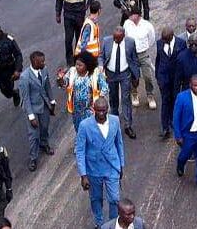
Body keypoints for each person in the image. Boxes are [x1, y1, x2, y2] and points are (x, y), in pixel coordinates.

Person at [76, 97, 126, 227]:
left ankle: (113, 223)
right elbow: (80, 151)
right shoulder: (85, 125)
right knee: (96, 199)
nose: (101, 114)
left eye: (103, 111)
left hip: (112, 166)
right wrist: (83, 175)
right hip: (94, 169)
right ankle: (99, 223)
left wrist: (121, 164)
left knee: (115, 199)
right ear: (93, 109)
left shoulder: (115, 121)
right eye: (98, 111)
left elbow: (119, 143)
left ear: (107, 109)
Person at [17, 50, 56, 171]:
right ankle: (33, 157)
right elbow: (26, 98)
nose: (44, 63)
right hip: (32, 108)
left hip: (43, 105)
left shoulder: (44, 70)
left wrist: (52, 101)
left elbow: (47, 86)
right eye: (41, 61)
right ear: (34, 61)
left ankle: (44, 144)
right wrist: (31, 116)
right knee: (33, 134)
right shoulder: (24, 77)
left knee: (44, 127)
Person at [101, 26, 141, 139]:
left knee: (126, 99)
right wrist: (100, 66)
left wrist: (136, 75)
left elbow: (135, 59)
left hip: (125, 74)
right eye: (114, 37)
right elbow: (101, 56)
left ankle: (128, 126)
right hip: (111, 74)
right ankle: (114, 126)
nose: (115, 40)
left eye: (118, 38)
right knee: (113, 101)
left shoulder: (130, 42)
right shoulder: (106, 41)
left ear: (123, 36)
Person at [60, 51, 110, 132]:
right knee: (79, 129)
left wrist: (99, 101)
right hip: (76, 110)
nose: (77, 67)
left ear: (87, 66)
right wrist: (60, 79)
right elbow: (64, 84)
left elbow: (105, 87)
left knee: (90, 130)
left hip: (89, 110)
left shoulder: (95, 73)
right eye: (76, 64)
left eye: (80, 65)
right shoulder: (72, 71)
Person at [57, 0, 97, 67]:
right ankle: (69, 61)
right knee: (68, 39)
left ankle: (77, 58)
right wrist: (58, 14)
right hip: (68, 15)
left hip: (80, 14)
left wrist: (89, 4)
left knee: (79, 38)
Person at [155, 25, 187, 139]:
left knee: (175, 99)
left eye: (166, 39)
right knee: (165, 100)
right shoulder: (159, 43)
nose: (163, 41)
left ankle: (174, 121)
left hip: (176, 78)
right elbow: (158, 60)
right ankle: (165, 128)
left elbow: (183, 60)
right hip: (164, 77)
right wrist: (158, 77)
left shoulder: (181, 43)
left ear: (171, 36)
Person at [123, 11, 157, 109]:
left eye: (132, 14)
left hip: (143, 54)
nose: (130, 16)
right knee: (134, 77)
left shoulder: (147, 25)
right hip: (132, 55)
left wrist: (145, 47)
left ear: (137, 15)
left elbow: (151, 38)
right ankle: (134, 93)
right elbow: (125, 38)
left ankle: (150, 95)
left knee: (148, 76)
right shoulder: (127, 24)